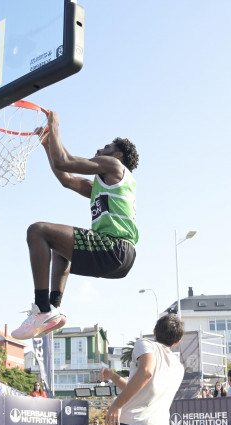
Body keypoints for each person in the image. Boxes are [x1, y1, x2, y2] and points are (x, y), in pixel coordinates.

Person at [11, 113, 139, 340]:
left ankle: (41, 309)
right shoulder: (105, 185)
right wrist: (48, 146)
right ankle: (54, 308)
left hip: (114, 246)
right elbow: (67, 179)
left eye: (106, 147)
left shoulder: (114, 165)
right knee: (61, 247)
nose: (99, 150)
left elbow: (65, 161)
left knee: (37, 231)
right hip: (120, 256)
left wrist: (55, 128)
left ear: (117, 155)